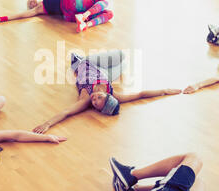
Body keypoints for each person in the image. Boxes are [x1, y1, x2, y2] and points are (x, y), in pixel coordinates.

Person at [32, 50, 181, 134]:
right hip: (102, 72)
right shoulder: (115, 95)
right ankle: (78, 60)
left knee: (124, 64)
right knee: (122, 56)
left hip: (87, 65)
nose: (94, 99)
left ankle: (78, 60)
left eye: (96, 104)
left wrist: (47, 124)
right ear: (108, 94)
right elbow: (140, 95)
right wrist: (164, 91)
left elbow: (66, 112)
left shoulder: (85, 99)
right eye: (100, 97)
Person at [0, 0, 114, 33]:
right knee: (104, 1)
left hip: (69, 16)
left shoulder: (43, 5)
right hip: (69, 2)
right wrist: (1, 18)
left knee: (109, 13)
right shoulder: (39, 8)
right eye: (29, 3)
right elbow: (22, 15)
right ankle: (85, 15)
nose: (31, 2)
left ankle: (86, 25)